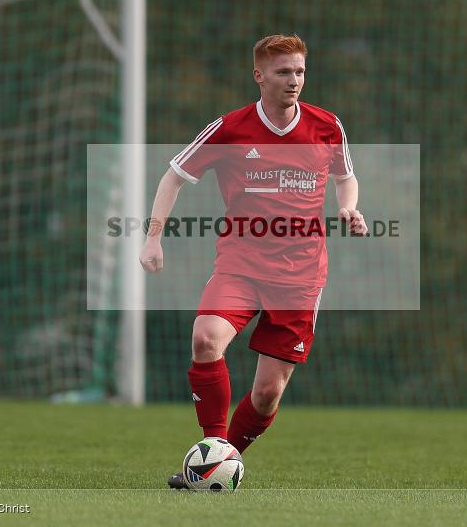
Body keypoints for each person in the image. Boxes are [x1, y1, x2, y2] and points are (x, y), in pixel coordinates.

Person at [139, 34, 367, 488]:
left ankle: (219, 464)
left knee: (267, 393)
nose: (294, 80)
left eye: (300, 71)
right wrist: (152, 239)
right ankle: (211, 450)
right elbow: (173, 177)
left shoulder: (327, 126)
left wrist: (348, 207)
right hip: (240, 264)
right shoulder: (229, 128)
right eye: (284, 72)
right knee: (205, 338)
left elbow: (346, 177)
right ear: (259, 75)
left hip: (301, 277)